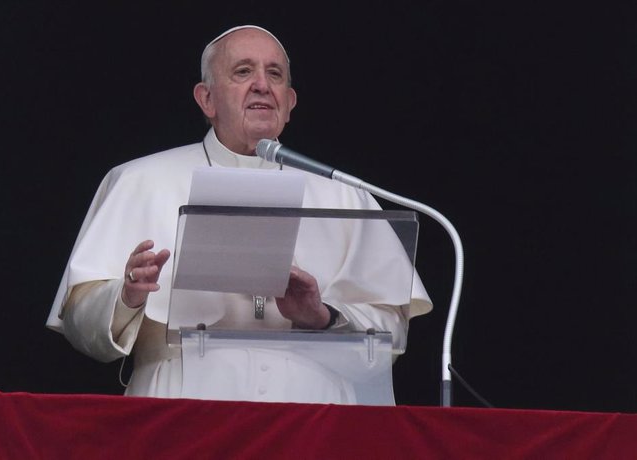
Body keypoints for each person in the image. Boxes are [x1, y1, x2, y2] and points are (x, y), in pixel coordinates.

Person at [47, 25, 433, 404]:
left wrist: (322, 316)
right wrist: (126, 296)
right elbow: (82, 329)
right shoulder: (139, 181)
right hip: (182, 411)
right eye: (243, 71)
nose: (262, 85)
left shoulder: (346, 195)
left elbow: (389, 342)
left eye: (275, 74)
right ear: (207, 99)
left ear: (290, 102)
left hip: (310, 418)